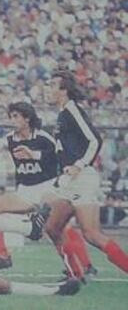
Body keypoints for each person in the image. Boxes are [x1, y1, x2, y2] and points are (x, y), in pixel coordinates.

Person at [0, 102, 96, 278]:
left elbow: (58, 158)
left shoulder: (44, 138)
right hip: (25, 190)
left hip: (48, 187)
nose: (12, 120)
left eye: (16, 116)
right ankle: (2, 256)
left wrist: (35, 155)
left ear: (27, 119)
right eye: (11, 116)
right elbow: (20, 168)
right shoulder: (11, 139)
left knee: (59, 228)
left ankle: (83, 266)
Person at [47, 70, 128, 277]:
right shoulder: (63, 112)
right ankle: (78, 270)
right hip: (68, 180)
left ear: (64, 90)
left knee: (91, 234)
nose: (48, 89)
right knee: (53, 227)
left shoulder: (72, 109)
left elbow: (95, 139)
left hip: (82, 178)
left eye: (52, 85)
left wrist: (80, 164)